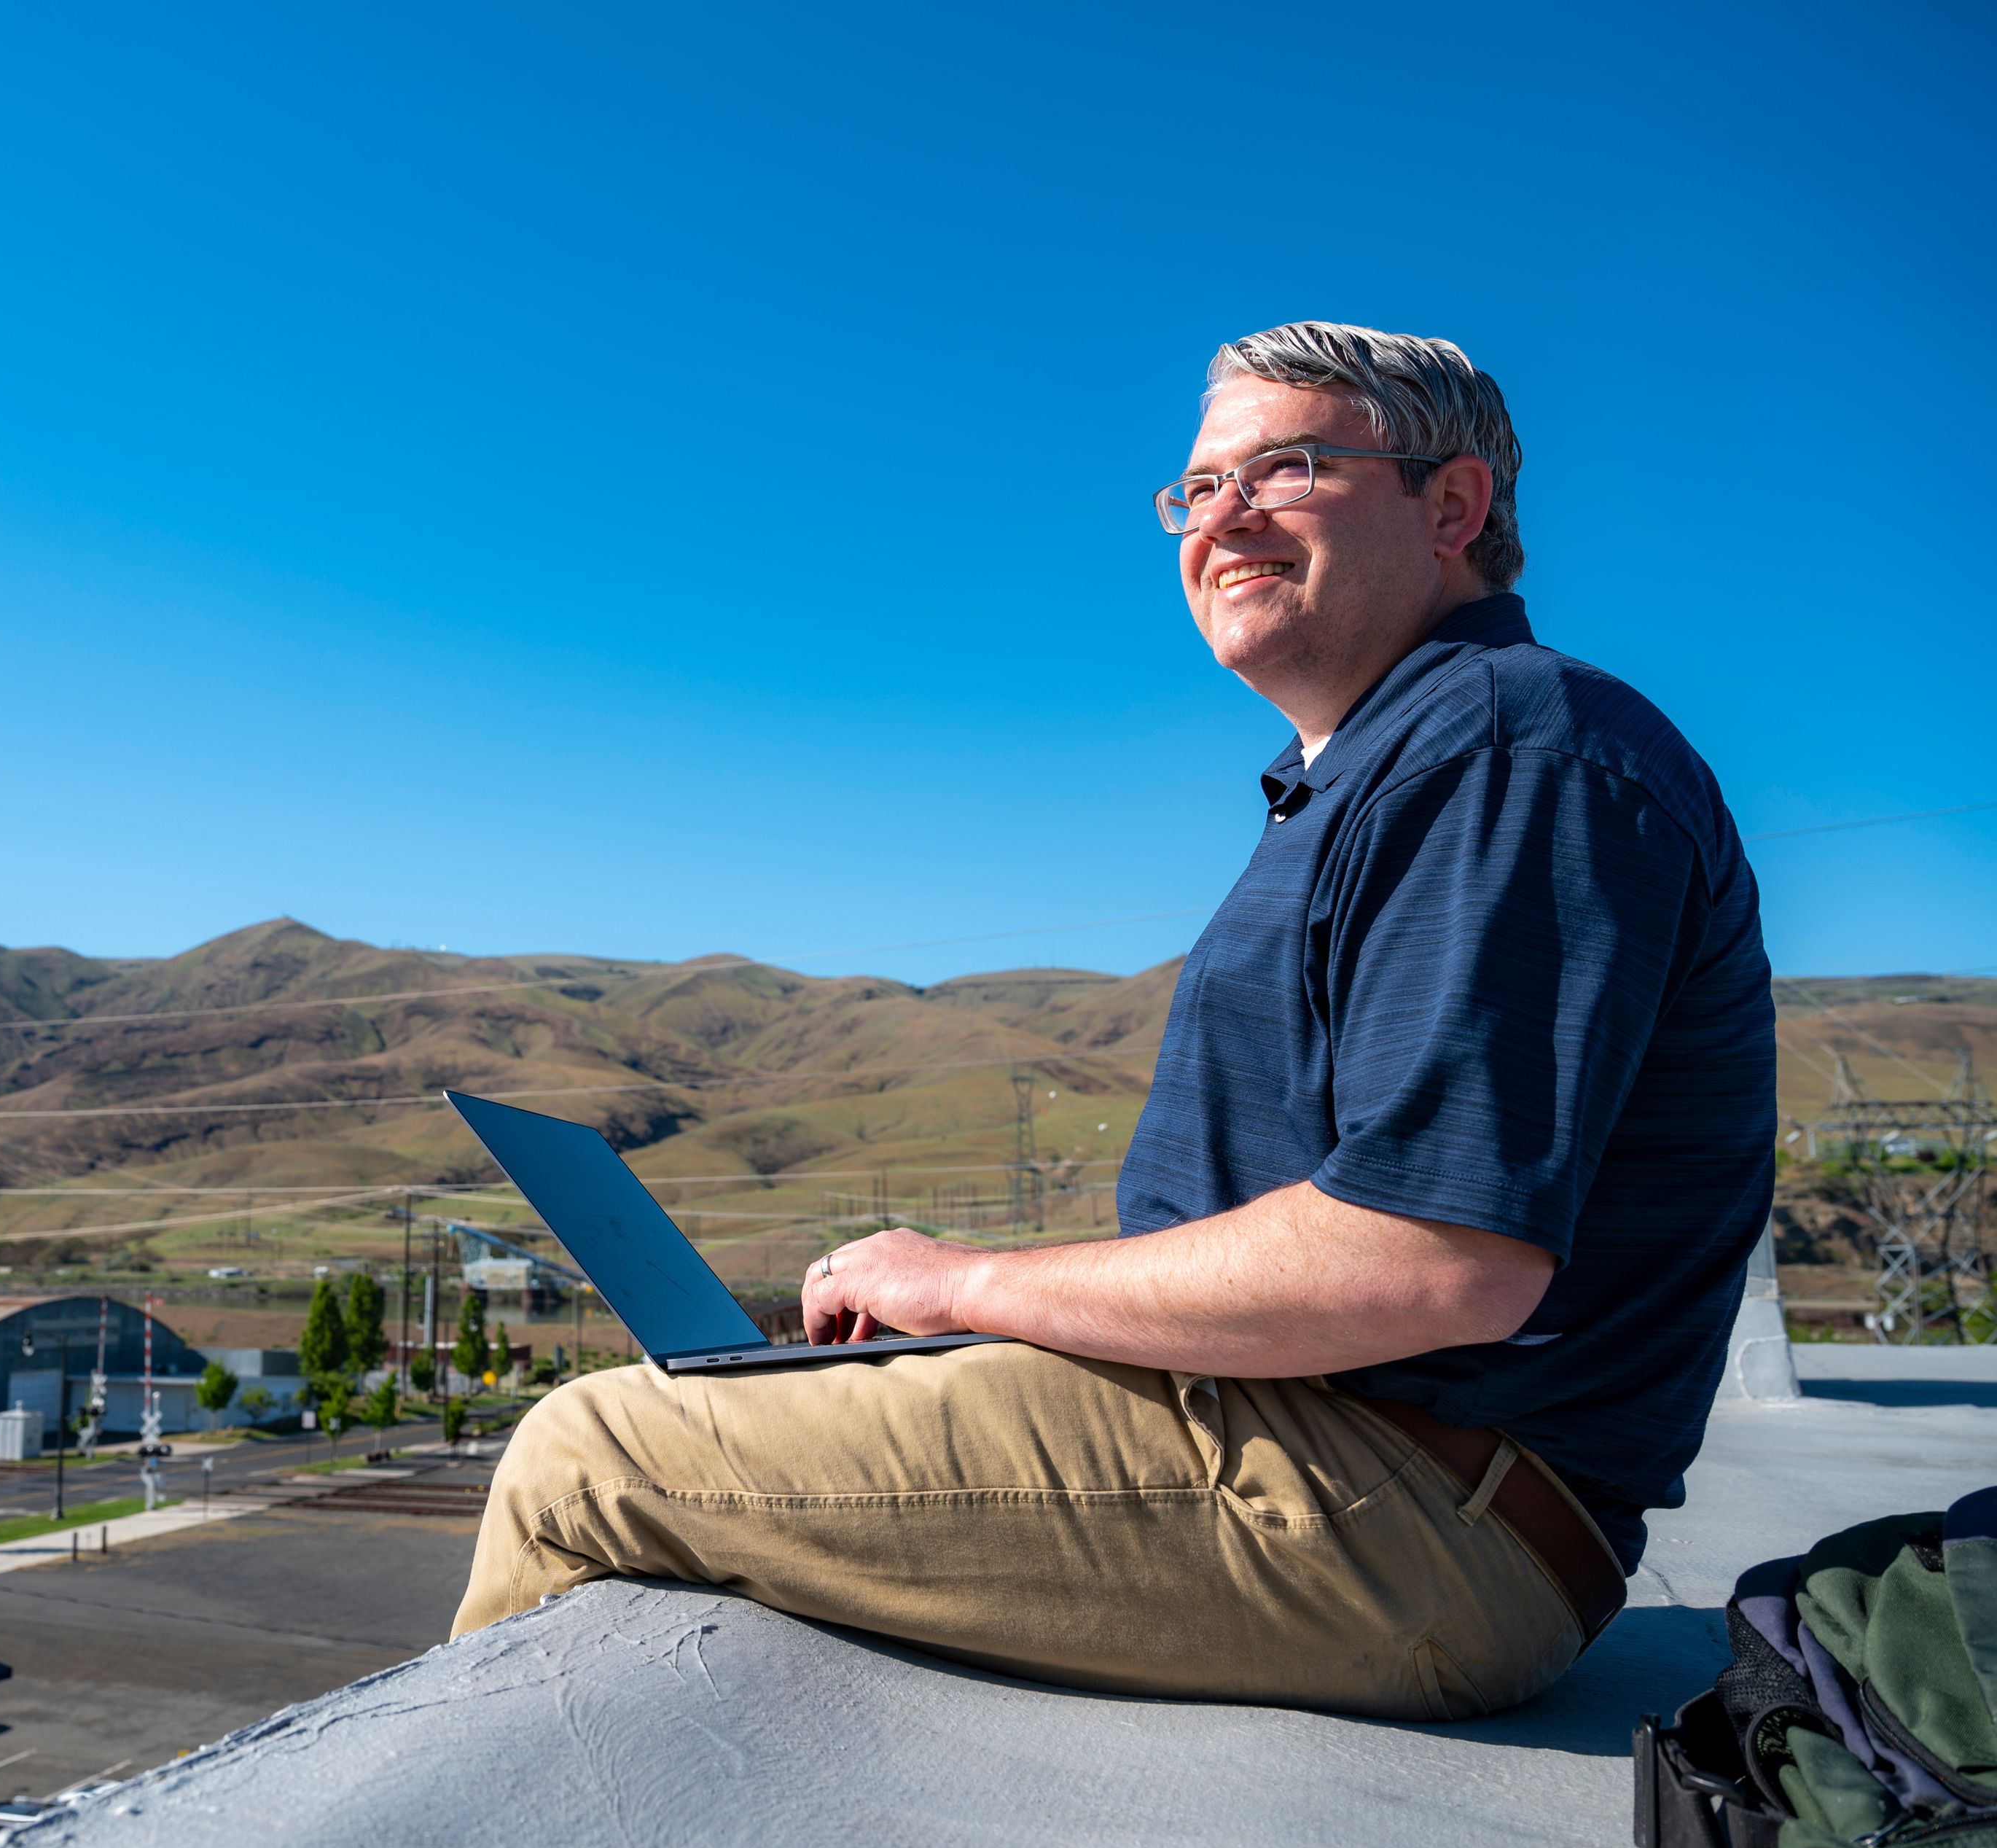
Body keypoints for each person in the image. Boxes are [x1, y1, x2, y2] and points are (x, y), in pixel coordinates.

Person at [450, 322, 1774, 1719]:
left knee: (592, 1451)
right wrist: (965, 1329)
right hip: (1332, 1465)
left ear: (1453, 508)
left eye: (1292, 468)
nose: (1225, 518)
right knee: (734, 1415)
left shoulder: (1512, 746)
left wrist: (961, 1285)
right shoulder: (1377, 768)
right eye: (1197, 492)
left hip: (1411, 1517)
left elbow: (1435, 1260)